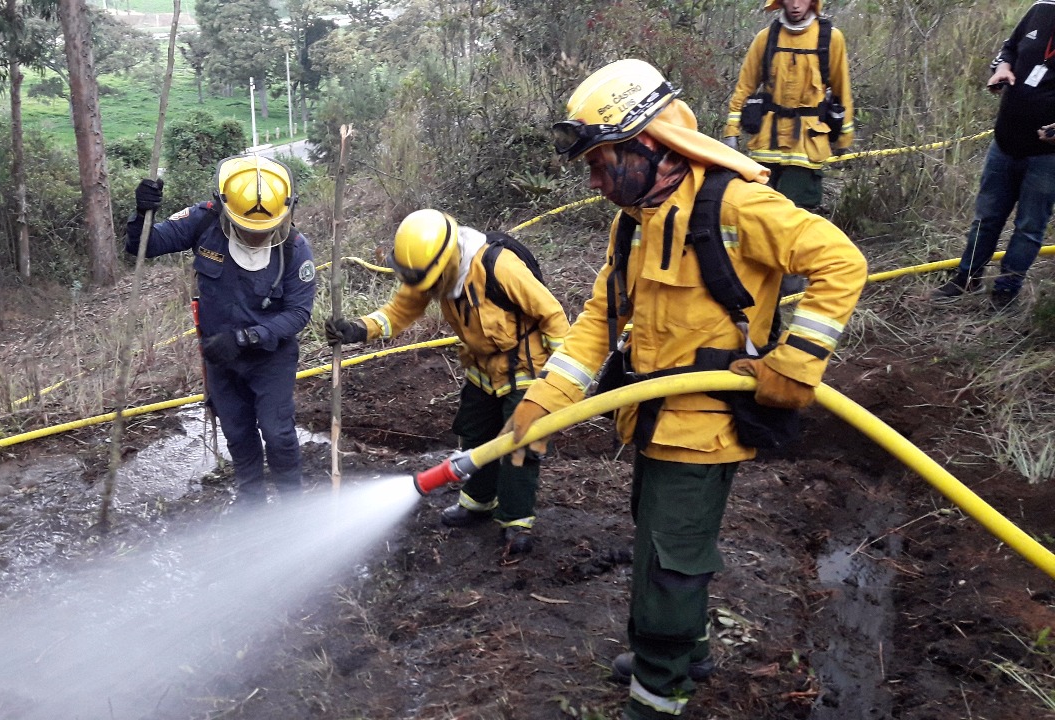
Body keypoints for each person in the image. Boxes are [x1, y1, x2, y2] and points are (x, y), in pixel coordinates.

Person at [508, 59, 866, 719]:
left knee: (668, 563)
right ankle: (689, 649)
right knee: (664, 538)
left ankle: (659, 691)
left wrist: (797, 361)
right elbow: (597, 322)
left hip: (705, 428)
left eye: (602, 161)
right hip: (650, 417)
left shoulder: (734, 204)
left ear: (651, 145)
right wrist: (540, 401)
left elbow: (840, 261)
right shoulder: (636, 219)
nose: (593, 180)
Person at [326, 209, 570, 555]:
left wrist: (559, 379)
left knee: (519, 445)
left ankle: (516, 522)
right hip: (481, 369)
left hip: (526, 370)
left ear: (449, 260)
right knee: (476, 437)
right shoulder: (429, 269)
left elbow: (553, 316)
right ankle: (478, 501)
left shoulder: (499, 267)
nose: (428, 291)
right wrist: (359, 329)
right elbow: (399, 311)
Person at [126, 155, 316, 505]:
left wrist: (247, 338)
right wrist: (143, 214)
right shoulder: (204, 222)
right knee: (238, 432)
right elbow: (145, 246)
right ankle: (251, 503)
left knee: (278, 434)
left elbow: (298, 313)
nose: (254, 237)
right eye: (246, 229)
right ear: (226, 209)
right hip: (219, 357)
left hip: (269, 358)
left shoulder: (294, 249)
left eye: (263, 231)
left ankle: (293, 506)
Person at [931, 2, 1055, 310]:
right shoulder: (1041, 9)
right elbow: (1009, 48)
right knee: (986, 216)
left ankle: (1005, 292)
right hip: (1005, 140)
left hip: (1047, 155)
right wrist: (1001, 69)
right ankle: (966, 278)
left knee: (1029, 225)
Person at [723, 0, 855, 211]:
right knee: (759, 213)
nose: (795, 5)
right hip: (766, 144)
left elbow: (842, 91)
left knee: (798, 215)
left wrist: (843, 138)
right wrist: (731, 132)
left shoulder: (830, 39)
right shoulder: (766, 38)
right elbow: (745, 87)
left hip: (807, 144)